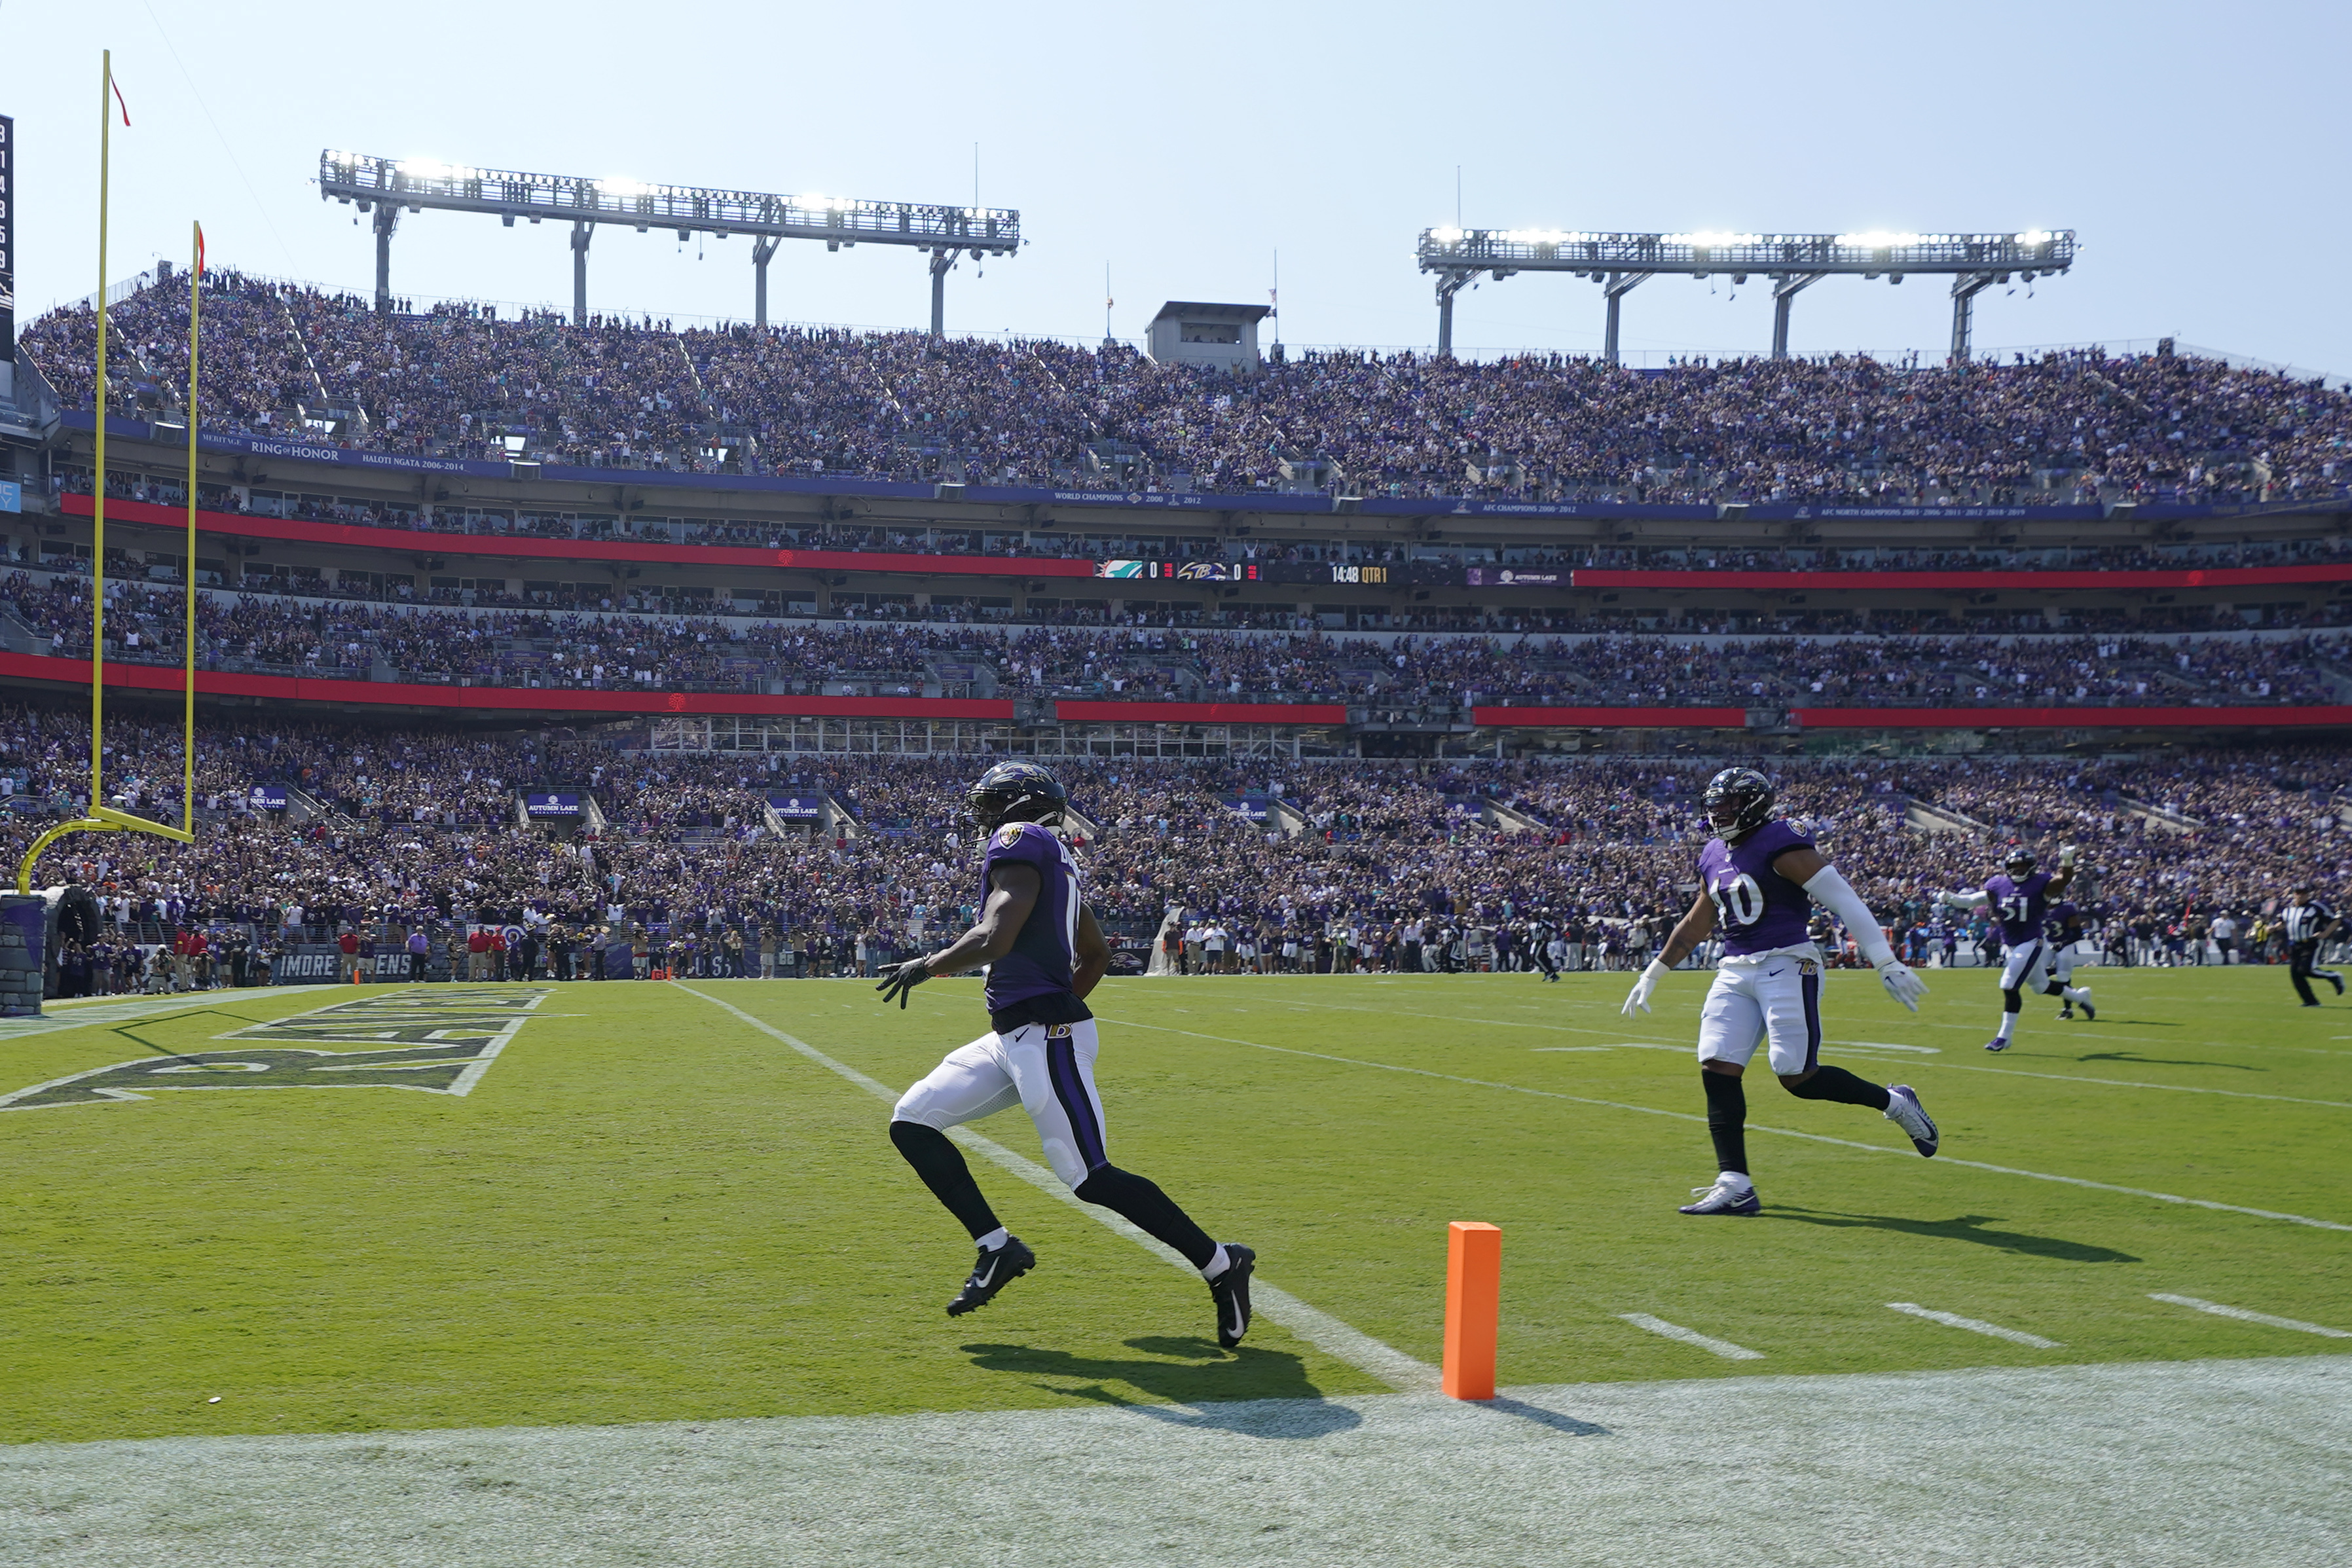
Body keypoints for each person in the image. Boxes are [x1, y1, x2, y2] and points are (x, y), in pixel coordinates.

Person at [874, 760, 1257, 1347]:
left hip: (1043, 1035)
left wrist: (926, 965)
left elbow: (995, 937)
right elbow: (1096, 954)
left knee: (1090, 1176)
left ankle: (1221, 1263)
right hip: (1014, 1037)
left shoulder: (1020, 839)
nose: (984, 817)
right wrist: (1046, 1003)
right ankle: (997, 1247)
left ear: (1017, 806)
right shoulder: (1060, 858)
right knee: (912, 1121)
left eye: (991, 803)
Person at [1623, 767, 1938, 1218]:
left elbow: (1845, 899)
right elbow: (1698, 920)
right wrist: (1654, 971)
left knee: (1795, 1074)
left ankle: (1895, 1102)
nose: (1718, 814)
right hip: (1735, 968)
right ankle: (1735, 1182)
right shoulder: (1713, 851)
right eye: (1714, 806)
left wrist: (1884, 959)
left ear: (1753, 804)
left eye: (1728, 805)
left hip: (1789, 962)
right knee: (1716, 1062)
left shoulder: (1779, 840)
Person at [1937, 847, 2093, 1049]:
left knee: (2009, 985)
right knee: (2041, 987)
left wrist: (2068, 860)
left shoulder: (2040, 883)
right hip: (2011, 944)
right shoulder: (1998, 884)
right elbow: (1972, 901)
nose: (2018, 869)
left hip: (2031, 941)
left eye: (2023, 866)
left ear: (2031, 867)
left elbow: (2063, 880)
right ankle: (2080, 996)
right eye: (2014, 866)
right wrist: (1950, 898)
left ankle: (2004, 1037)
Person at [2281, 886, 2345, 1007]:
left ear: (2308, 894)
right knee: (2295, 975)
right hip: (2295, 944)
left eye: (2304, 893)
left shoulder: (2316, 907)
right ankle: (2311, 1001)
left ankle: (2334, 976)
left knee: (2305, 969)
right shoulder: (2288, 909)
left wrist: (2325, 933)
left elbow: (2336, 920)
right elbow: (2283, 923)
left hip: (2311, 943)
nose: (2301, 895)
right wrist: (2273, 928)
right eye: (2298, 893)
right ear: (2294, 894)